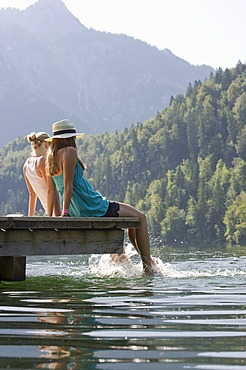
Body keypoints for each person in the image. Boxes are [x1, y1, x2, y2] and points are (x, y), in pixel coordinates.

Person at [45, 119, 157, 275]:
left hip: (78, 208)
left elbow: (55, 190)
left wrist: (57, 214)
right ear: (69, 138)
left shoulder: (50, 158)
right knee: (141, 217)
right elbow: (68, 185)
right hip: (93, 205)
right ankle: (148, 267)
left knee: (133, 221)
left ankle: (144, 261)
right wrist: (64, 214)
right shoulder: (69, 151)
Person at [23, 131, 61, 216]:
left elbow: (32, 194)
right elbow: (51, 190)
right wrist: (55, 216)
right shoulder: (42, 161)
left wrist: (30, 218)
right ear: (47, 144)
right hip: (58, 213)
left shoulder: (26, 165)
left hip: (49, 212)